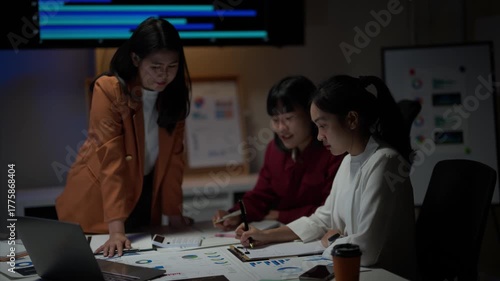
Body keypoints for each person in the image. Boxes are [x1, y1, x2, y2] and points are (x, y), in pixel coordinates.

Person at [235, 75, 417, 280]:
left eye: (323, 126)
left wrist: (333, 240)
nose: (319, 136)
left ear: (351, 120)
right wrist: (267, 235)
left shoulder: (385, 162)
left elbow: (366, 249)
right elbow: (323, 218)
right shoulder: (349, 159)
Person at [55, 17, 192, 256]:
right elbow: (111, 159)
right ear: (136, 59)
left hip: (143, 198)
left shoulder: (174, 96)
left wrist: (174, 215)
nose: (164, 75)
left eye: (172, 66)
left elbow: (173, 162)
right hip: (98, 203)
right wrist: (116, 230)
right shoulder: (109, 89)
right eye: (156, 66)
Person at [212, 75, 345, 231]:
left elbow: (329, 210)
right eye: (275, 120)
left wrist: (280, 215)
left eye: (288, 118)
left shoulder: (333, 151)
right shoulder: (274, 150)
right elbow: (261, 196)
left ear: (311, 115)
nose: (281, 128)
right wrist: (235, 214)